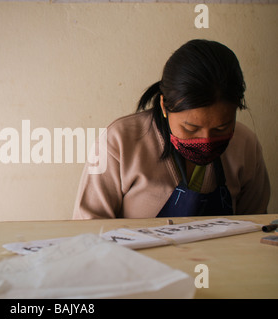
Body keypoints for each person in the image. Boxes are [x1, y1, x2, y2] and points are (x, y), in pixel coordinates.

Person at [73, 39, 270, 219]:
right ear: (164, 106)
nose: (206, 140)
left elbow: (256, 227)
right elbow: (88, 231)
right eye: (191, 128)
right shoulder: (119, 142)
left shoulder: (246, 145)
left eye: (221, 128)